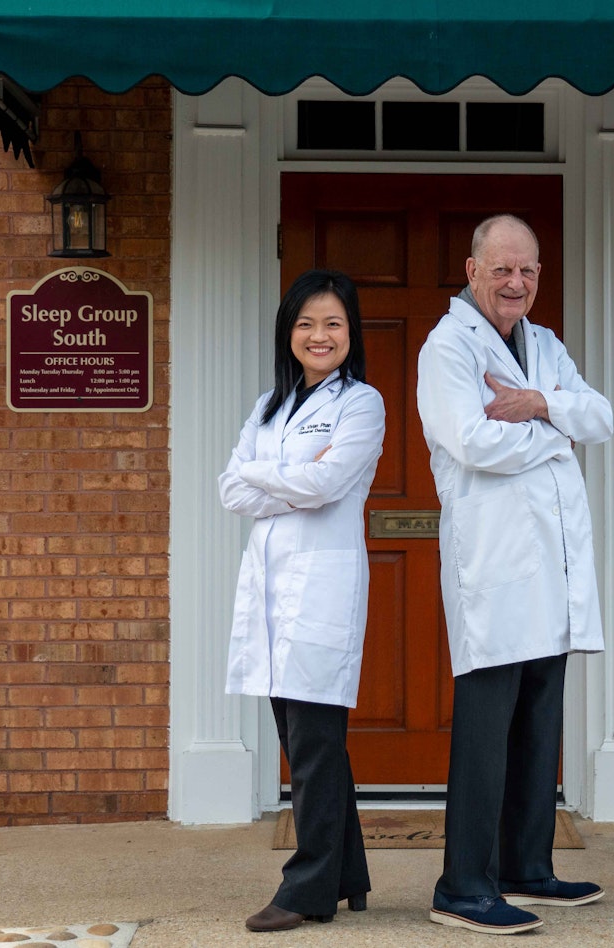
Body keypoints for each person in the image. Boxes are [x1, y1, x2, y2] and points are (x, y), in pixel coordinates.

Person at [416, 215, 614, 935]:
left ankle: (528, 866)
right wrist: (557, 434)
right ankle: (463, 886)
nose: (516, 283)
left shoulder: (544, 346)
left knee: (538, 720)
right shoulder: (447, 349)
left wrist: (539, 406)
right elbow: (471, 442)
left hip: (550, 568)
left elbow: (602, 416)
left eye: (528, 271)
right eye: (502, 269)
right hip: (495, 566)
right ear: (472, 271)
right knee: (486, 729)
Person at [219, 269, 385, 933]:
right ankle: (349, 875)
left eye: (333, 323)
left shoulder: (361, 404)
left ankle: (308, 888)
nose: (320, 335)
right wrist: (291, 478)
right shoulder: (268, 407)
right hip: (269, 592)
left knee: (315, 745)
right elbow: (232, 492)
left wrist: (268, 479)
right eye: (307, 324)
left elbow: (329, 483)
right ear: (289, 334)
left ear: (351, 333)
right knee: (307, 741)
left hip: (322, 588)